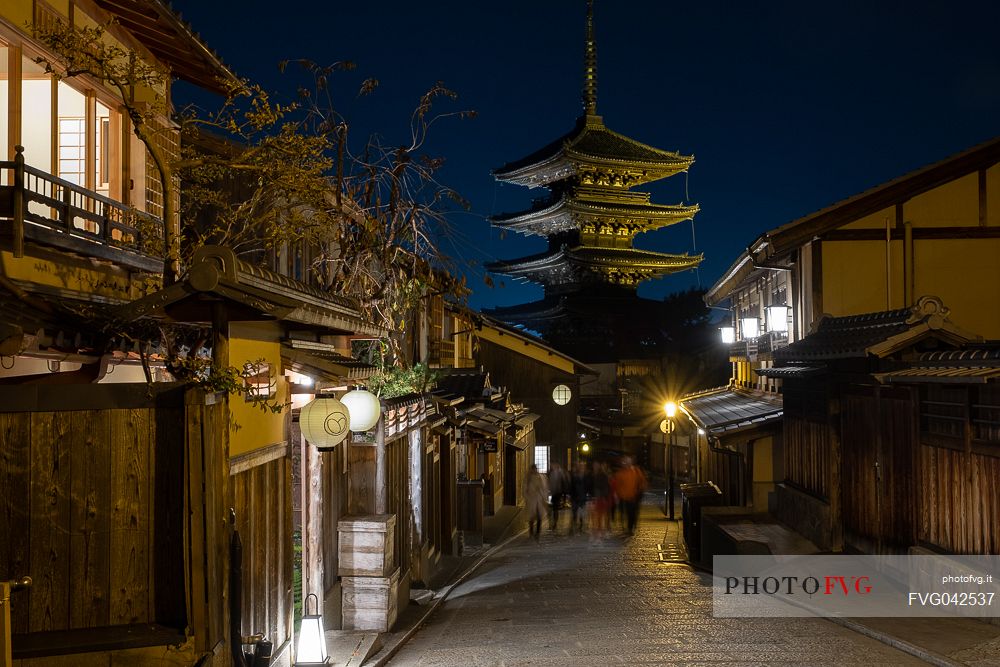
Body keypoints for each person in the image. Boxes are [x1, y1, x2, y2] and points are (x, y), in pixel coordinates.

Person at [613, 456, 647, 536]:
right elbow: (617, 485)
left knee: (631, 513)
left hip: (633, 497)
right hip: (623, 497)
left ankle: (630, 528)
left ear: (630, 463)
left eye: (627, 462)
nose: (625, 464)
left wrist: (639, 493)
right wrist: (617, 495)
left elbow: (642, 482)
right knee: (624, 512)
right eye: (624, 462)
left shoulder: (636, 471)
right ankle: (627, 527)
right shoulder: (620, 473)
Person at [524, 464, 548, 541]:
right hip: (532, 499)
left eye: (535, 469)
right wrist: (527, 497)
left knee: (539, 517)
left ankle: (537, 532)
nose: (534, 470)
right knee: (531, 517)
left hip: (539, 500)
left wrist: (544, 497)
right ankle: (531, 532)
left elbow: (544, 488)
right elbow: (525, 489)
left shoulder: (540, 477)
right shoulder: (528, 478)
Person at [589, 461, 612, 541]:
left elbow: (605, 487)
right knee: (593, 516)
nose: (595, 467)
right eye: (594, 465)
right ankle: (595, 532)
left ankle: (600, 531)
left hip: (600, 498)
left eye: (597, 465)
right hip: (593, 498)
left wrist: (604, 497)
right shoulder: (591, 475)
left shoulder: (602, 475)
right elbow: (589, 486)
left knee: (600, 515)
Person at [568, 461, 591, 535]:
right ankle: (573, 527)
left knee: (581, 513)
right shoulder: (574, 476)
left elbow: (588, 486)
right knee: (574, 512)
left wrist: (588, 494)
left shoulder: (586, 476)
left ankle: (580, 526)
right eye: (580, 466)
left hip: (582, 497)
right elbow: (571, 486)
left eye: (583, 466)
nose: (581, 468)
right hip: (575, 497)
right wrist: (570, 496)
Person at [547, 462, 568, 532]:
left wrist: (562, 493)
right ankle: (552, 523)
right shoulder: (551, 473)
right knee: (552, 509)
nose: (551, 466)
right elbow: (549, 482)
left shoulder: (560, 473)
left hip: (557, 493)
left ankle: (554, 523)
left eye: (552, 465)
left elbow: (564, 482)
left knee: (555, 509)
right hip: (552, 493)